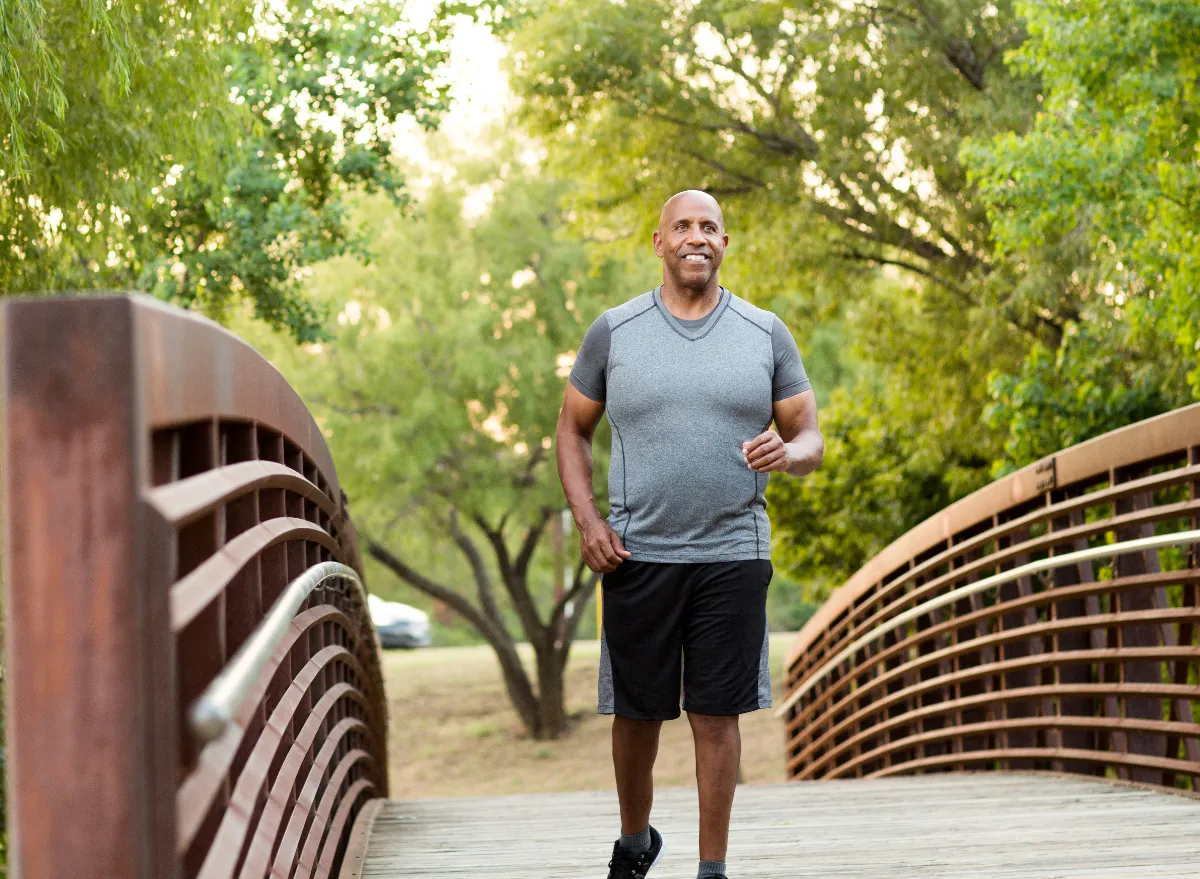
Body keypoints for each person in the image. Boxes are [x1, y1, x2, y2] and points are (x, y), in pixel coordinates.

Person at [555, 190, 824, 879]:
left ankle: (712, 868)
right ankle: (635, 837)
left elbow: (810, 436)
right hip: (638, 553)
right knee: (637, 715)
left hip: (734, 550)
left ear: (725, 243)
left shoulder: (765, 332)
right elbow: (572, 428)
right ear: (659, 242)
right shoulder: (615, 331)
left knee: (716, 713)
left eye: (709, 227)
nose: (696, 237)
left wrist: (787, 454)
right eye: (683, 227)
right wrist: (589, 522)